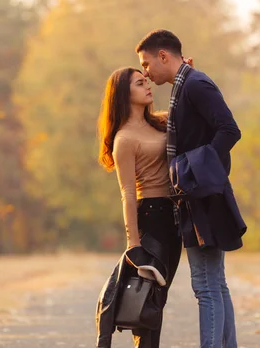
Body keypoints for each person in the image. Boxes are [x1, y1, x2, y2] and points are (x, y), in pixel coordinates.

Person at [135, 29, 246, 348]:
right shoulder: (185, 85)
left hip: (202, 195)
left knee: (205, 286)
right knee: (215, 284)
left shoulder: (196, 84)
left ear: (163, 56)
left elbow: (229, 130)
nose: (146, 71)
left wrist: (196, 170)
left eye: (146, 63)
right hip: (198, 195)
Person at [95, 67, 183, 348]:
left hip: (173, 216)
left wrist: (188, 75)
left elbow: (187, 110)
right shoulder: (124, 138)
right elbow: (128, 193)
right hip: (151, 217)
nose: (148, 86)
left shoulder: (159, 122)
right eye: (139, 83)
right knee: (150, 299)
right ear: (123, 94)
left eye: (147, 82)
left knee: (159, 298)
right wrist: (133, 242)